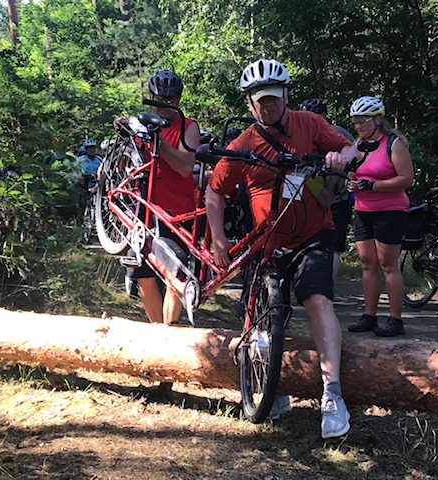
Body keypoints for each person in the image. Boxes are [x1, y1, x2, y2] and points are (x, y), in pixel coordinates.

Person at [205, 59, 359, 439]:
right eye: (262, 101)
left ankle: (332, 394)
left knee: (318, 300)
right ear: (250, 104)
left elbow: (350, 149)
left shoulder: (309, 123)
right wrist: (219, 239)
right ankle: (273, 387)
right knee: (261, 316)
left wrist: (341, 157)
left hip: (313, 234)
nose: (269, 106)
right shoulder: (244, 143)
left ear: (286, 96)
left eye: (274, 99)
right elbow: (214, 190)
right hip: (267, 243)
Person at [125, 69, 200, 326]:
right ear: (151, 96)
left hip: (178, 211)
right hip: (142, 209)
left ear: (179, 100)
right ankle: (157, 331)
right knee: (143, 274)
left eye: (171, 100)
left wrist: (158, 141)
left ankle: (169, 332)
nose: (165, 105)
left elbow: (185, 166)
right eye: (160, 98)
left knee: (174, 273)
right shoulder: (140, 125)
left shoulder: (189, 127)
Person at [346, 96, 414, 337]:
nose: (358, 125)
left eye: (363, 121)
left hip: (390, 210)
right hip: (364, 211)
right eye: (355, 121)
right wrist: (352, 182)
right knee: (367, 263)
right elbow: (353, 173)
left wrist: (373, 186)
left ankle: (395, 320)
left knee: (388, 264)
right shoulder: (358, 145)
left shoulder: (393, 144)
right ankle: (369, 316)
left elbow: (406, 178)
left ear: (377, 120)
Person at [299, 98, 355, 279]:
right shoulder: (304, 134)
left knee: (332, 245)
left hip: (332, 198)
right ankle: (322, 289)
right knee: (330, 245)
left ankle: (324, 289)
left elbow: (355, 159)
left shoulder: (336, 133)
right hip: (319, 198)